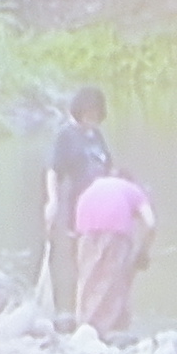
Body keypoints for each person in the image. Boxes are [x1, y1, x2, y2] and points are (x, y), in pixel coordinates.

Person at [39, 85, 112, 316]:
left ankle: (96, 307)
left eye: (97, 114)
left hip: (103, 205)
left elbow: (108, 166)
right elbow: (54, 170)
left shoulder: (96, 136)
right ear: (80, 111)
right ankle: (79, 310)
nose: (93, 118)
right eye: (89, 113)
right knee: (81, 258)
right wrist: (52, 201)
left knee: (102, 258)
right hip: (78, 206)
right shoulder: (66, 135)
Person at [70, 169, 151, 337]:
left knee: (88, 279)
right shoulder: (134, 190)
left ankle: (83, 326)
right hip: (116, 227)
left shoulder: (96, 185)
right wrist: (143, 251)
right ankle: (105, 332)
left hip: (84, 225)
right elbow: (150, 224)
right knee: (113, 281)